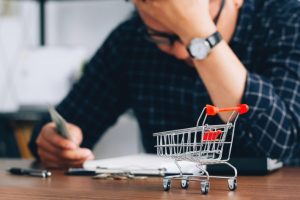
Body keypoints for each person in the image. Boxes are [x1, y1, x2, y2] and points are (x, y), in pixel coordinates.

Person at [29, 0, 300, 168]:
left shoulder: (287, 20)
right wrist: (55, 142)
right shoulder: (131, 41)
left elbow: (277, 148)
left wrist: (201, 37)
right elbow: (67, 125)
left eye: (191, 35)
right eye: (163, 37)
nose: (184, 52)